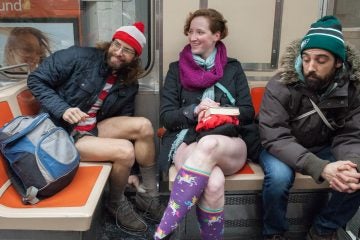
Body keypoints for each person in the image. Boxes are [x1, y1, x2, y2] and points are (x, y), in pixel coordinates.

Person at [27, 22, 165, 233]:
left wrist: (133, 170)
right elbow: (36, 79)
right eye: (116, 45)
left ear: (135, 57)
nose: (118, 53)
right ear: (111, 43)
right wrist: (63, 109)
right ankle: (116, 203)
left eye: (127, 50)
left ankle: (148, 194)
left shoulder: (128, 81)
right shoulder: (78, 57)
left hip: (92, 127)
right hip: (61, 133)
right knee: (124, 151)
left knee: (144, 126)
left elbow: (123, 118)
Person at [154, 9, 260, 239]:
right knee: (213, 184)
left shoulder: (233, 68)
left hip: (228, 140)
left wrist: (218, 112)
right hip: (188, 139)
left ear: (217, 35)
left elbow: (248, 112)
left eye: (200, 32)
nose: (193, 37)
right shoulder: (176, 69)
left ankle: (163, 230)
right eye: (190, 31)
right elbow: (167, 117)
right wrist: (194, 110)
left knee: (210, 143)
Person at [258, 16, 360, 240]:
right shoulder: (281, 85)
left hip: (323, 146)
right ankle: (273, 233)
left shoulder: (352, 90)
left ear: (338, 63)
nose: (310, 67)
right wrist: (321, 167)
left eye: (321, 60)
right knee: (278, 179)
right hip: (281, 147)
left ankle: (323, 230)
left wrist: (351, 164)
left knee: (356, 175)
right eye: (306, 59)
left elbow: (350, 135)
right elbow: (275, 137)